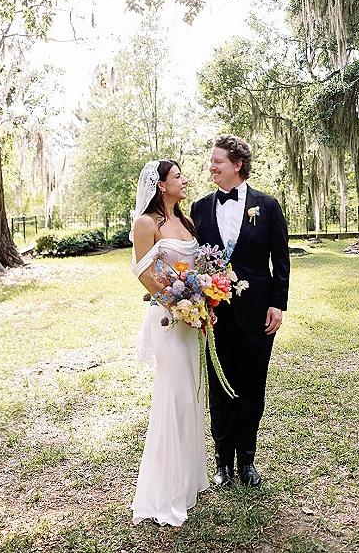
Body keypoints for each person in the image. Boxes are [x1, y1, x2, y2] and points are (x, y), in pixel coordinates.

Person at [190, 133, 290, 488]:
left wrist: (278, 304)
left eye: (218, 161)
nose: (211, 167)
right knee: (219, 390)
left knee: (252, 389)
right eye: (211, 161)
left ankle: (247, 461)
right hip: (214, 316)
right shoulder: (200, 208)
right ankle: (222, 464)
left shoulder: (268, 206)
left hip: (257, 315)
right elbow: (193, 261)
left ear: (237, 165)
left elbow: (281, 260)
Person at [131, 159, 209, 527]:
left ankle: (188, 481)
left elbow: (199, 268)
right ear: (161, 185)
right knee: (173, 396)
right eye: (178, 176)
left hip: (192, 320)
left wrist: (204, 298)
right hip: (167, 319)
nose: (185, 180)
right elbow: (144, 273)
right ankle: (167, 491)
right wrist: (177, 302)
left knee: (191, 397)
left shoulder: (187, 221)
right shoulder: (147, 224)